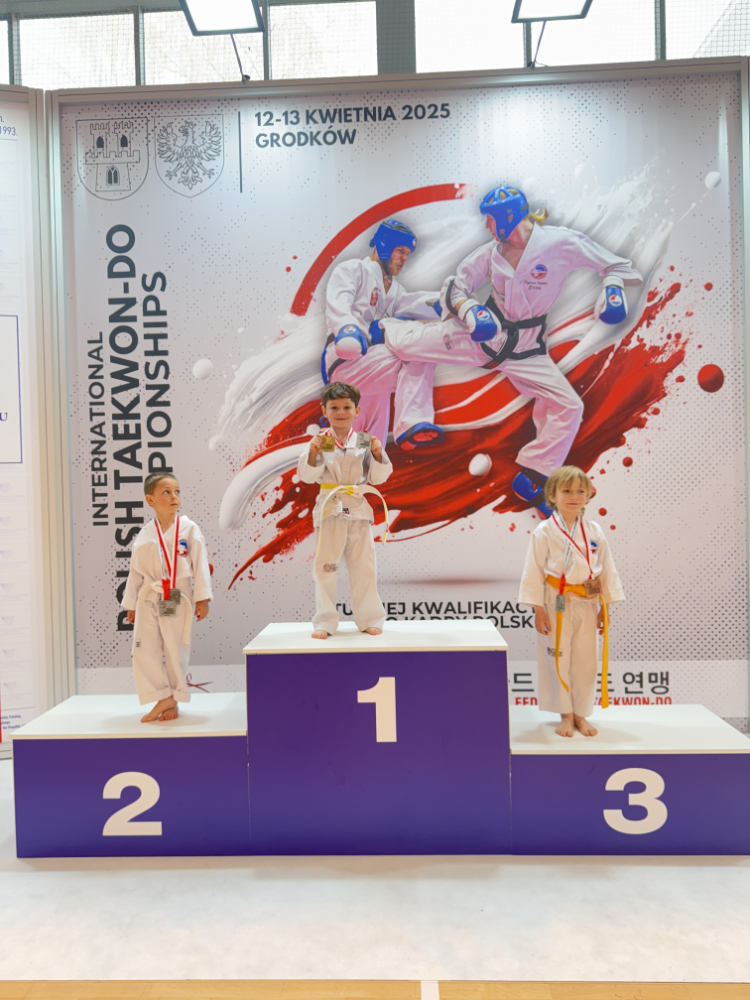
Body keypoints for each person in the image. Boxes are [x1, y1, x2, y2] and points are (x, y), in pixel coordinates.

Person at [376, 187, 642, 513]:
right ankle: (383, 328)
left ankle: (533, 476)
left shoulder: (561, 243)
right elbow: (455, 288)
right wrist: (471, 311)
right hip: (482, 336)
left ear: (508, 217)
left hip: (526, 349)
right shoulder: (490, 254)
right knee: (407, 344)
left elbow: (616, 266)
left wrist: (613, 290)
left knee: (568, 406)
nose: (487, 227)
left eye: (490, 220)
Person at [518, 465, 624, 738]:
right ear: (552, 495)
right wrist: (538, 610)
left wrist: (605, 608)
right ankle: (565, 714)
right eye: (566, 491)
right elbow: (533, 571)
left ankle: (581, 714)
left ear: (588, 495)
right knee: (558, 657)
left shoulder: (594, 530)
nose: (574, 496)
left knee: (586, 660)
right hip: (557, 602)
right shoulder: (544, 531)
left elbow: (607, 570)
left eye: (580, 491)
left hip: (588, 602)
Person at [322, 218, 444, 451]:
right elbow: (339, 300)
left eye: (408, 254)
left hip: (375, 369)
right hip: (349, 360)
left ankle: (407, 428)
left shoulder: (396, 291)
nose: (405, 259)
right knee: (419, 350)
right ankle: (411, 422)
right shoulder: (353, 270)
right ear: (384, 245)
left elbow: (416, 303)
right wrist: (347, 327)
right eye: (401, 251)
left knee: (368, 446)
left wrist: (452, 303)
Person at [298, 381, 392, 638]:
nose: (341, 412)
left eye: (347, 407)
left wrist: (378, 454)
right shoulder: (322, 441)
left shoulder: (364, 440)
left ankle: (369, 618)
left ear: (357, 410)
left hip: (358, 509)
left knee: (364, 566)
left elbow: (378, 477)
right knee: (326, 567)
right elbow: (307, 476)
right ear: (324, 410)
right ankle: (325, 622)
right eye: (334, 407)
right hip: (330, 509)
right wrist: (313, 453)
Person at [122, 473, 213, 722]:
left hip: (177, 593)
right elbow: (135, 572)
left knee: (175, 648)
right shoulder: (144, 534)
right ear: (150, 500)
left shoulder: (189, 529)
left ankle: (174, 698)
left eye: (177, 491)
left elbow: (200, 564)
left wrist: (202, 598)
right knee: (144, 649)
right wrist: (131, 603)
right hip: (149, 595)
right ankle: (162, 695)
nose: (174, 497)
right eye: (166, 492)